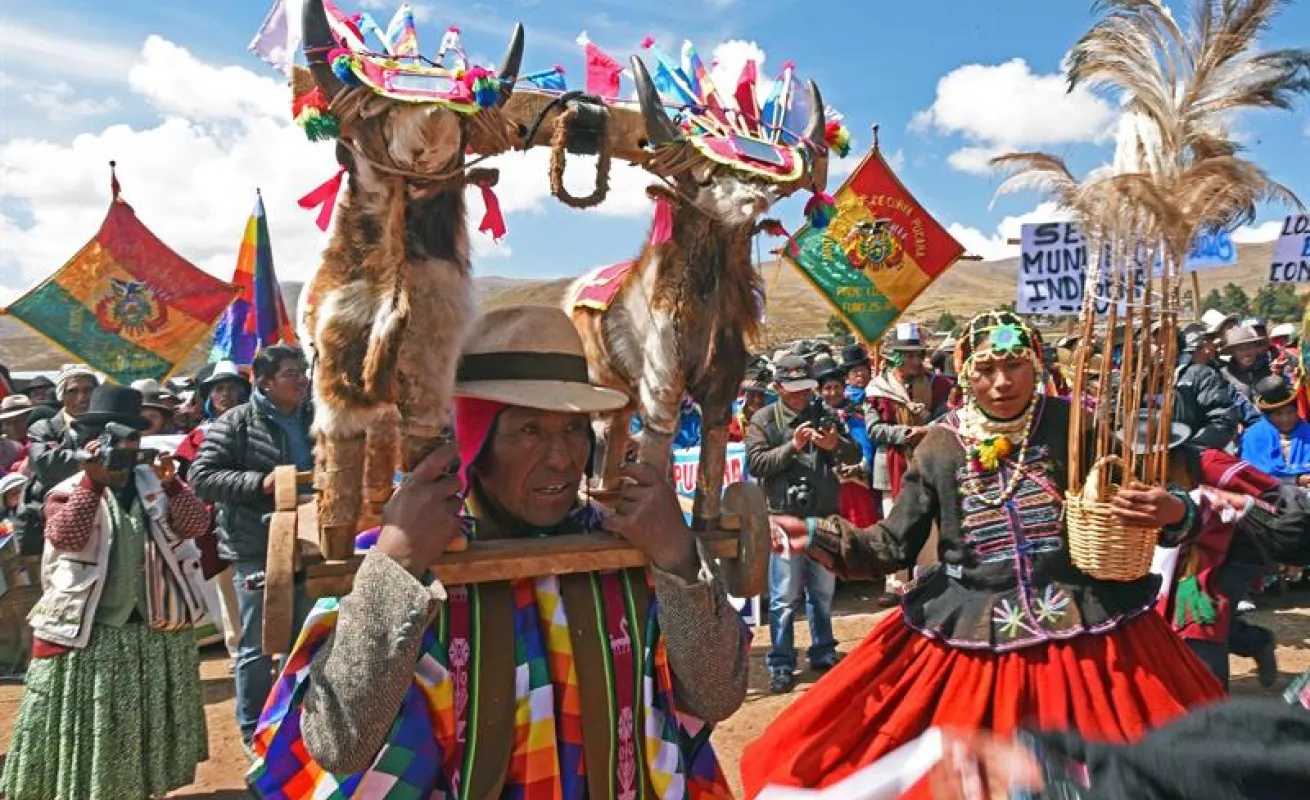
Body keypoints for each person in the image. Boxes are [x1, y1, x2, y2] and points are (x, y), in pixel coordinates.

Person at [248, 306, 747, 798]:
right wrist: (397, 568)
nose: (562, 458)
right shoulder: (400, 556)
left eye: (573, 428)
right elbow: (339, 742)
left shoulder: (629, 544)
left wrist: (679, 558)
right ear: (476, 442)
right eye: (530, 430)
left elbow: (717, 694)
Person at [740, 310, 1225, 797]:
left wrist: (1172, 509)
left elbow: (1134, 496)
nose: (1001, 382)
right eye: (986, 369)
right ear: (966, 374)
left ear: (1036, 366)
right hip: (974, 627)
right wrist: (817, 534)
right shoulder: (940, 445)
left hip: (1088, 625)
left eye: (1015, 365)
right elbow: (891, 544)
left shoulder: (1072, 425)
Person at [1, 385, 210, 800]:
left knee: (143, 724)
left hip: (153, 627)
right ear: (88, 440)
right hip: (91, 633)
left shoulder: (157, 481)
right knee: (92, 724)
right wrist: (92, 483)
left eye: (129, 438)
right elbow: (66, 537)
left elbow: (196, 526)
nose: (119, 447)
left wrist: (173, 486)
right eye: (107, 436)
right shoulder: (70, 486)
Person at [190, 344, 314, 756]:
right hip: (255, 545)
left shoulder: (315, 416)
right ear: (264, 382)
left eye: (303, 371)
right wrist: (259, 483)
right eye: (291, 373)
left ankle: (299, 720)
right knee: (259, 642)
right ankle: (253, 730)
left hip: (311, 542)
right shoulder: (236, 422)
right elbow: (202, 478)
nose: (301, 380)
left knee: (307, 634)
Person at [746, 354, 860, 694]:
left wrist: (835, 445)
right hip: (783, 518)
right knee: (783, 597)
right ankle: (781, 662)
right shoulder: (764, 420)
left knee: (822, 591)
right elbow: (756, 464)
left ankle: (823, 651)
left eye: (806, 388)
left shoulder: (825, 415)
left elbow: (854, 454)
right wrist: (792, 447)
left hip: (823, 517)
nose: (801, 395)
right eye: (794, 389)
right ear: (778, 387)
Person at [173, 360, 253, 674]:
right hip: (216, 526)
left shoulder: (258, 429)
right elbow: (185, 483)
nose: (226, 394)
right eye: (219, 388)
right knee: (227, 587)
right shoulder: (196, 439)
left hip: (255, 519)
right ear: (207, 396)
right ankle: (239, 649)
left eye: (232, 387)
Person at [13, 365, 100, 556]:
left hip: (97, 520)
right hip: (49, 521)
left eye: (88, 390)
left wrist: (66, 455)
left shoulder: (107, 427)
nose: (82, 398)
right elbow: (47, 466)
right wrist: (89, 457)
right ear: (61, 395)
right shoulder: (43, 428)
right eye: (73, 391)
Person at [815, 354, 879, 528]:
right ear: (819, 391)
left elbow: (865, 443)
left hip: (854, 483)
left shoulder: (856, 411)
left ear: (844, 387)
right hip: (824, 484)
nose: (833, 392)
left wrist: (861, 466)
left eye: (837, 387)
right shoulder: (813, 414)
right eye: (827, 388)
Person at [1173, 324, 1242, 450]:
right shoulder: (1145, 380)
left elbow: (1223, 416)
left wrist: (1194, 450)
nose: (1208, 351)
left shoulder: (1208, 374)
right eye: (1199, 348)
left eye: (1207, 345)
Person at [1240, 375, 1310, 487]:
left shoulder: (1307, 432)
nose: (1286, 419)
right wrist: (1295, 480)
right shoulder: (1253, 437)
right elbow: (1252, 476)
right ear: (1268, 416)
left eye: (1290, 412)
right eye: (1278, 414)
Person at [1221, 326, 1273, 406]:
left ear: (1256, 348)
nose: (1246, 353)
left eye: (1249, 347)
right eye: (1240, 350)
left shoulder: (1268, 368)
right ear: (1233, 352)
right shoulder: (1225, 375)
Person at [0, 394, 33, 472]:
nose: (13, 427)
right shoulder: (2, 446)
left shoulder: (39, 442)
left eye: (18, 421)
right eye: (8, 423)